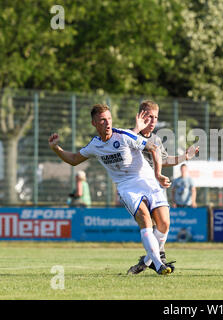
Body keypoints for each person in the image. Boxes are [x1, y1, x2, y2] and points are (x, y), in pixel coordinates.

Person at [48, 104, 173, 275]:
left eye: (109, 119)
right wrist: (57, 148)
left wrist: (158, 174)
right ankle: (159, 265)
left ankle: (147, 261)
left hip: (148, 181)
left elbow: (153, 148)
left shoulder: (123, 135)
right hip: (127, 187)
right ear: (94, 123)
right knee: (145, 220)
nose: (107, 123)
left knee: (164, 224)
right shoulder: (95, 145)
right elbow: (74, 159)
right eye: (102, 120)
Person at [129, 100, 199, 274]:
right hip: (135, 187)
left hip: (154, 186)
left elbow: (165, 160)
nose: (153, 121)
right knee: (151, 223)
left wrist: (185, 157)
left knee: (163, 224)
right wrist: (136, 131)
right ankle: (159, 258)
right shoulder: (128, 135)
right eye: (149, 117)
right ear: (140, 116)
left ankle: (148, 261)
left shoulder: (156, 139)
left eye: (156, 117)